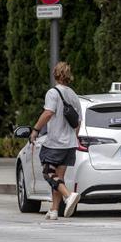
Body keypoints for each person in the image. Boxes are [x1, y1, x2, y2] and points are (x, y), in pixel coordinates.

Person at [29, 62, 82, 220]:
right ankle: (54, 210)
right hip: (70, 144)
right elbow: (78, 121)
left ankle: (69, 195)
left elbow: (48, 113)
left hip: (55, 142)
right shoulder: (73, 94)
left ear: (55, 75)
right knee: (58, 177)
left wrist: (36, 130)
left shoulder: (53, 93)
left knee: (47, 173)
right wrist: (74, 137)